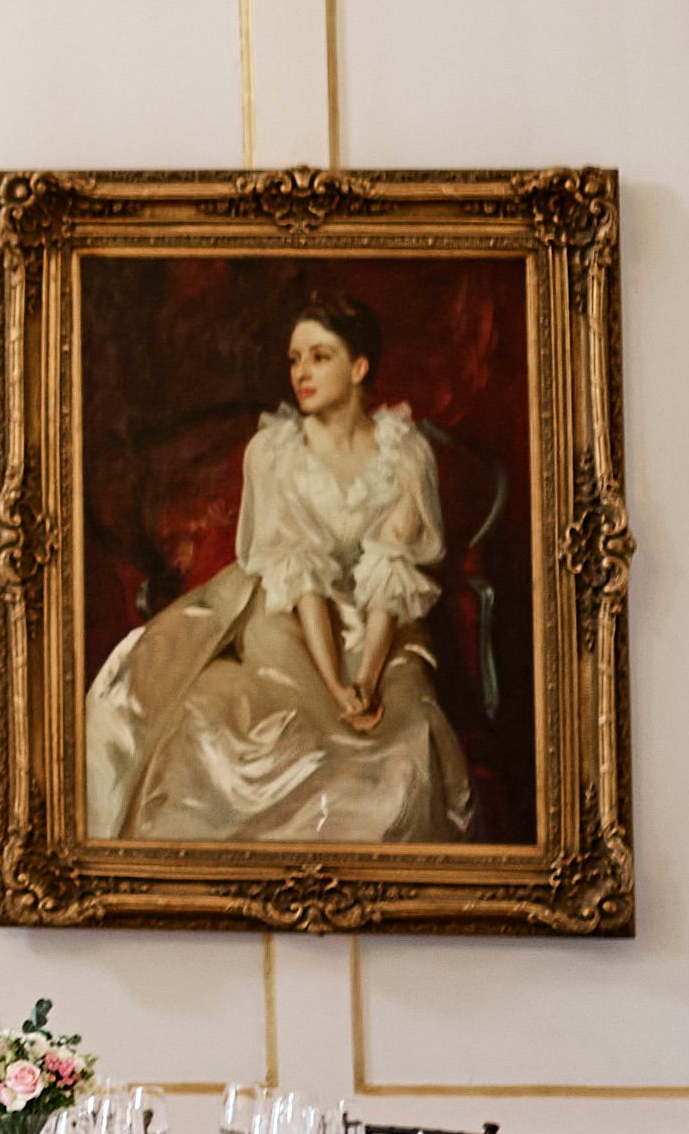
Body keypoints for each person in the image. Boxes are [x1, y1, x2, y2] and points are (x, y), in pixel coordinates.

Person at [83, 293, 474, 842]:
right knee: (245, 723)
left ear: (358, 368)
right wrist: (334, 687)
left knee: (404, 744)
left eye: (319, 356)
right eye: (295, 359)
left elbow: (390, 576)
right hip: (287, 611)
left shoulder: (405, 453)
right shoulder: (273, 452)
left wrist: (363, 680)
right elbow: (301, 577)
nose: (301, 373)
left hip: (379, 623)